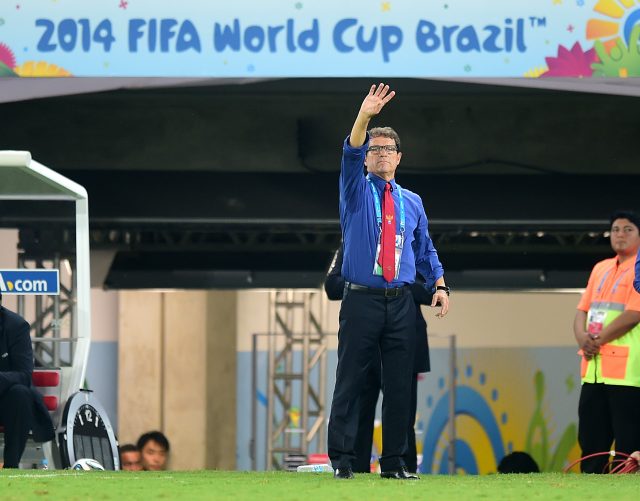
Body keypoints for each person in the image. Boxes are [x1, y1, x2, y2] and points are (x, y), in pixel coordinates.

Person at [327, 83, 449, 480]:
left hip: (401, 303)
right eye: (373, 150)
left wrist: (441, 285)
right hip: (361, 299)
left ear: (399, 157)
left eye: (387, 150)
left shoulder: (412, 201)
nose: (380, 155)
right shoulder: (355, 190)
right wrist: (364, 116)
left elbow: (425, 248)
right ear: (365, 159)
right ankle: (343, 460)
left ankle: (395, 463)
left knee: (400, 386)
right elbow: (350, 148)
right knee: (351, 380)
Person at [324, 245, 433, 473]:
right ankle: (353, 468)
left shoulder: (411, 248)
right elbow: (331, 286)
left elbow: (430, 290)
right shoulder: (353, 243)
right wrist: (367, 285)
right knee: (360, 413)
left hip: (403, 339)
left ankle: (401, 466)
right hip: (367, 343)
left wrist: (397, 283)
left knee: (402, 411)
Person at [574, 210, 640, 473]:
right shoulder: (600, 268)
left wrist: (596, 340)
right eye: (615, 230)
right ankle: (590, 486)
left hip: (627, 372)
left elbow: (634, 314)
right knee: (591, 438)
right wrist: (582, 338)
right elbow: (581, 310)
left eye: (628, 229)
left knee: (628, 440)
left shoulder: (638, 267)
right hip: (594, 369)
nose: (620, 235)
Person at [0, 291, 54, 468]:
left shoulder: (16, 326)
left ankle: (11, 465)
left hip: (6, 399)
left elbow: (24, 373)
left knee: (21, 393)